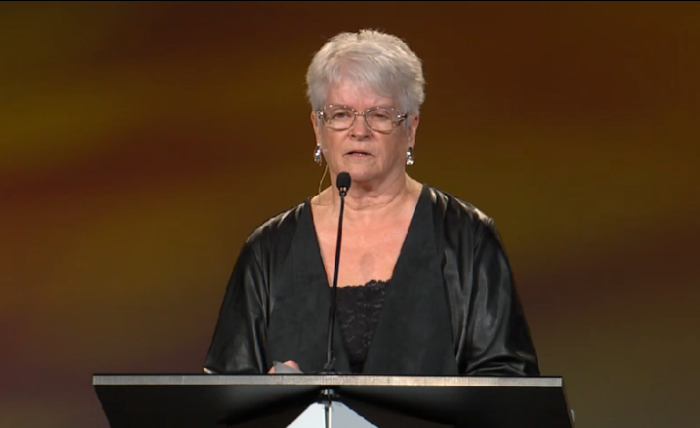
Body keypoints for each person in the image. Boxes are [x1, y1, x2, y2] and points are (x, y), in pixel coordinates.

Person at [203, 29, 539, 376]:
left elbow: (507, 382)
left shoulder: (468, 238)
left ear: (410, 128)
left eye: (379, 115)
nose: (359, 131)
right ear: (318, 128)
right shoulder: (268, 251)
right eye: (341, 114)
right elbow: (225, 394)